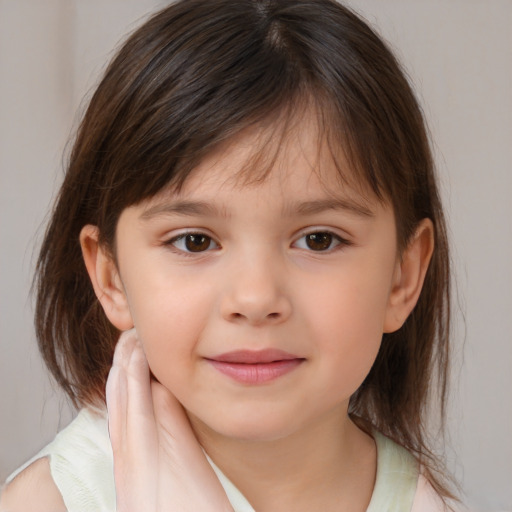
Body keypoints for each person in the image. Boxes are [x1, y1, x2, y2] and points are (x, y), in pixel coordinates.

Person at [0, 0, 460, 510]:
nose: (256, 298)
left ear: (403, 275)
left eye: (319, 239)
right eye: (194, 241)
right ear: (110, 276)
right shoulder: (54, 501)